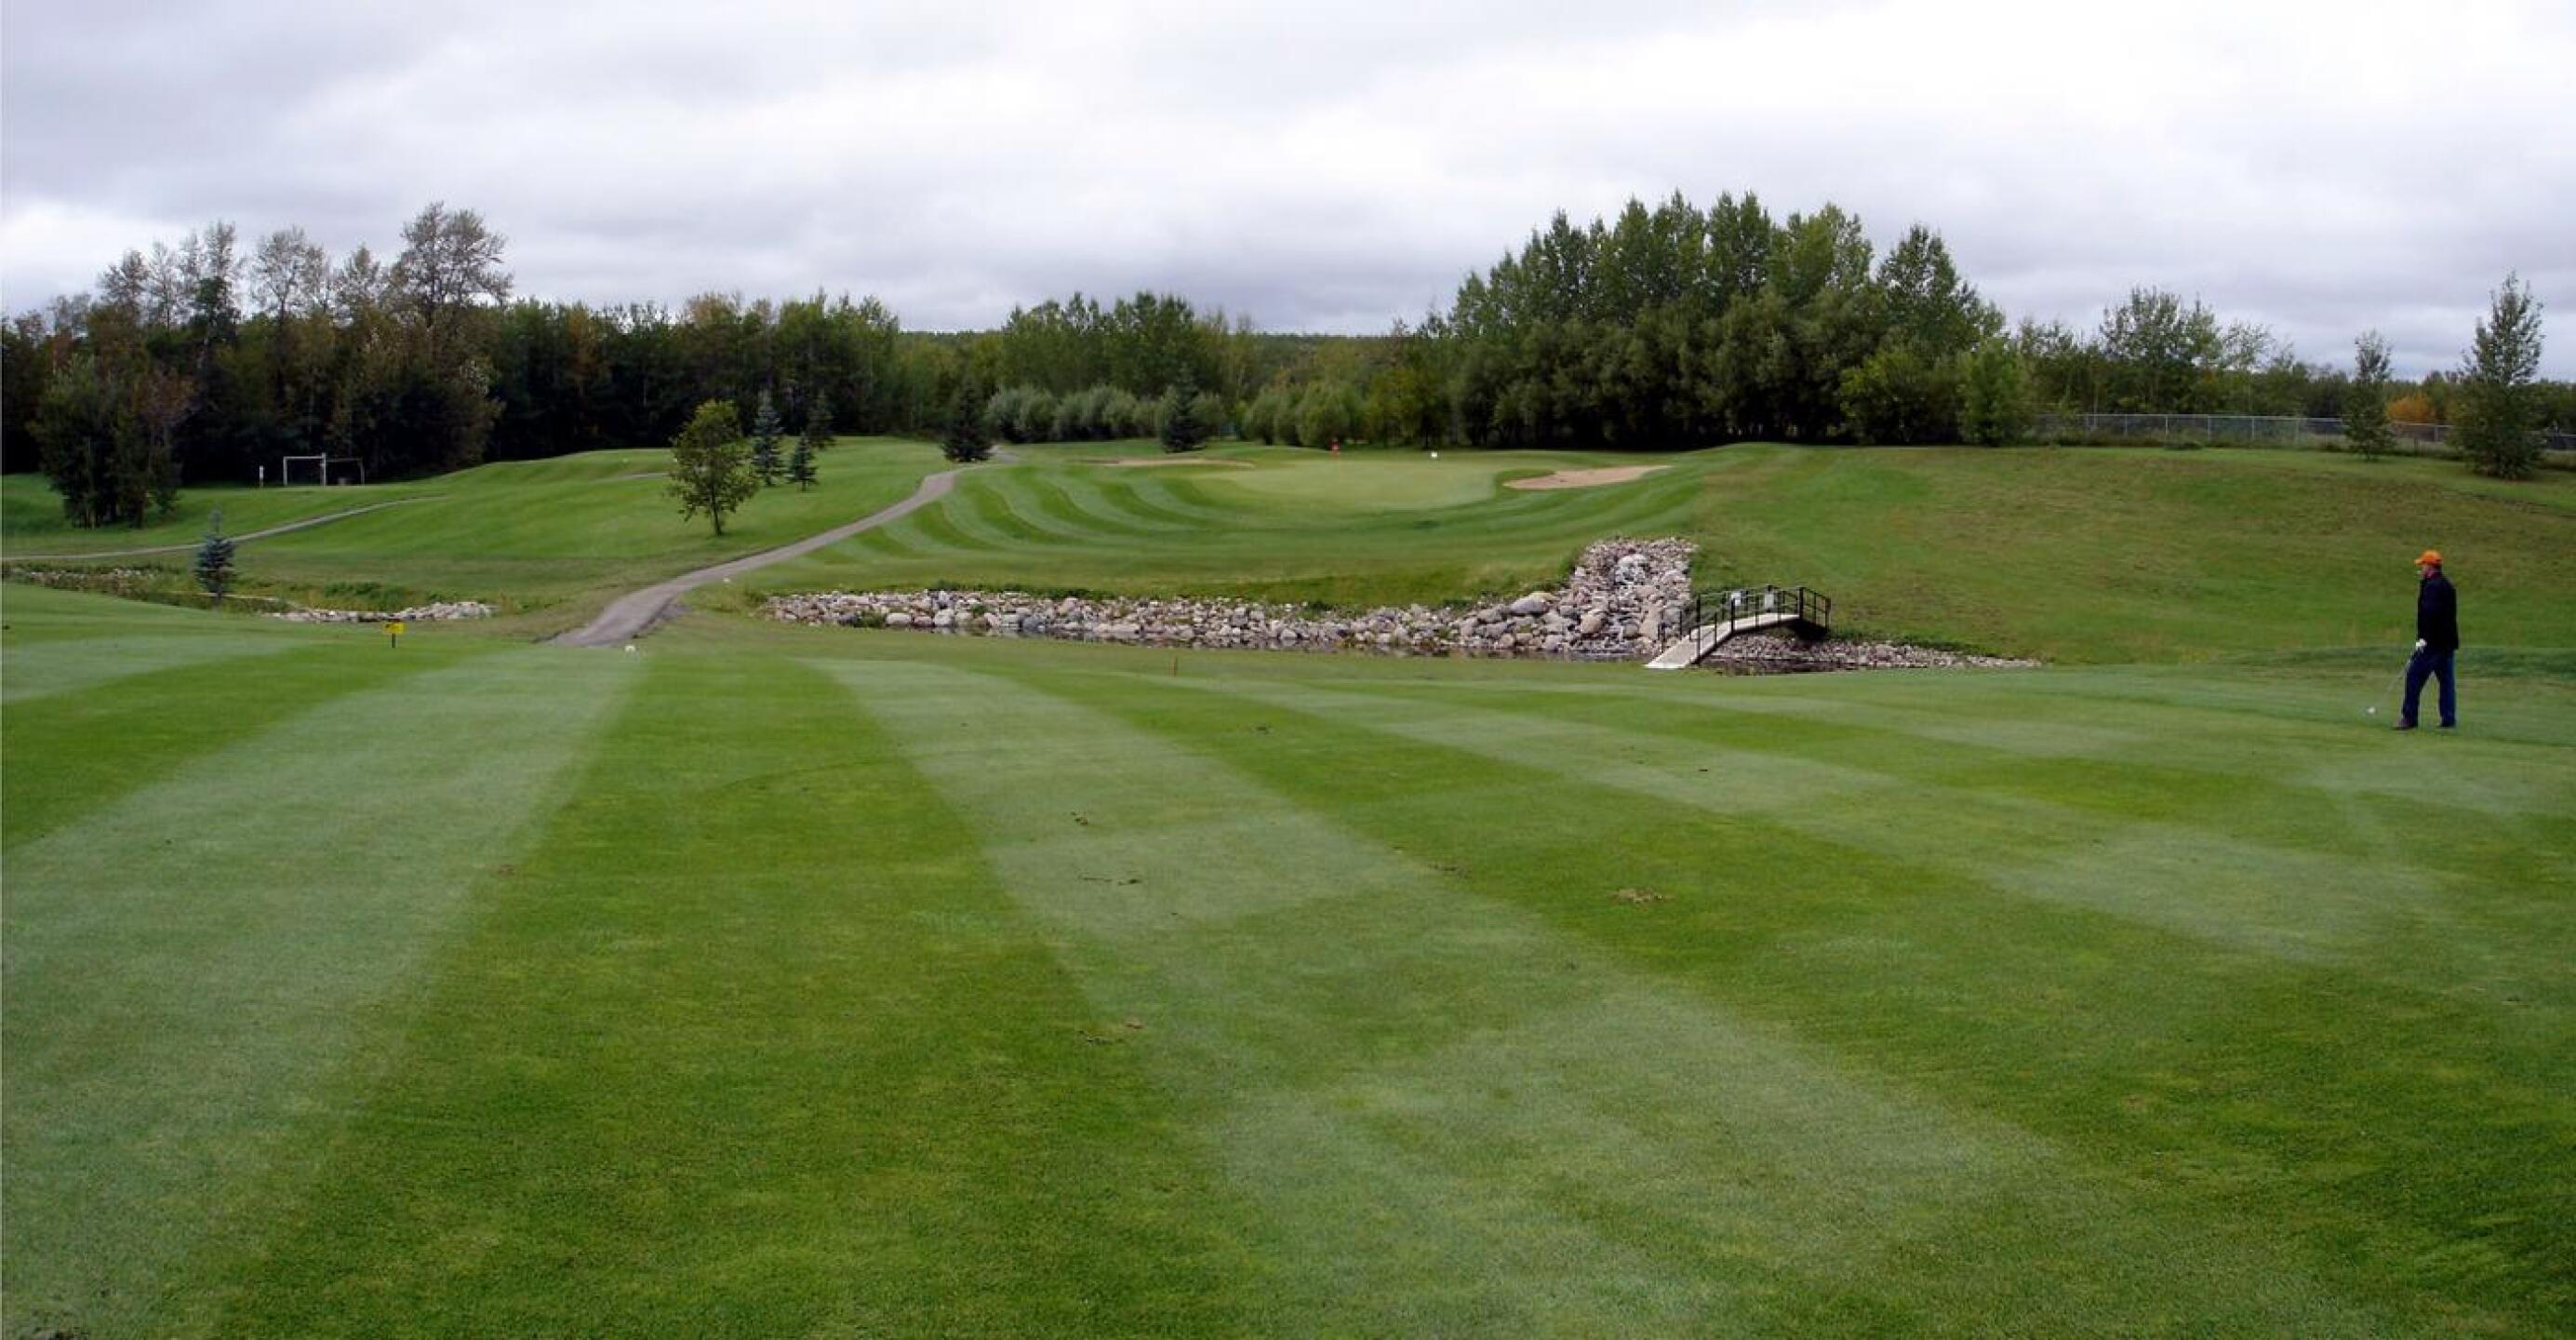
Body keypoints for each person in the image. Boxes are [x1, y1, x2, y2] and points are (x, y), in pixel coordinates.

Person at [2397, 549, 2458, 730]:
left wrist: (2423, 638)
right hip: (2447, 642)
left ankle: (2409, 718)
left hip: (2432, 643)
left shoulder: (2432, 587)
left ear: (2430, 567)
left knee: (2414, 676)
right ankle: (2448, 718)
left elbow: (2429, 615)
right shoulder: (2447, 585)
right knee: (2446, 682)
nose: (2421, 568)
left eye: (2423, 565)